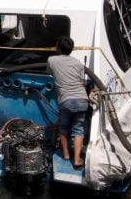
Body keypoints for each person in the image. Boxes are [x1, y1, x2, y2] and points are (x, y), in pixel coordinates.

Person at [47, 36, 89, 170]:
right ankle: (77, 160)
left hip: (66, 100)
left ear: (58, 47)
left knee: (63, 128)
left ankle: (65, 154)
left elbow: (49, 73)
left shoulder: (52, 60)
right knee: (78, 130)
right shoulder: (78, 63)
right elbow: (83, 83)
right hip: (83, 100)